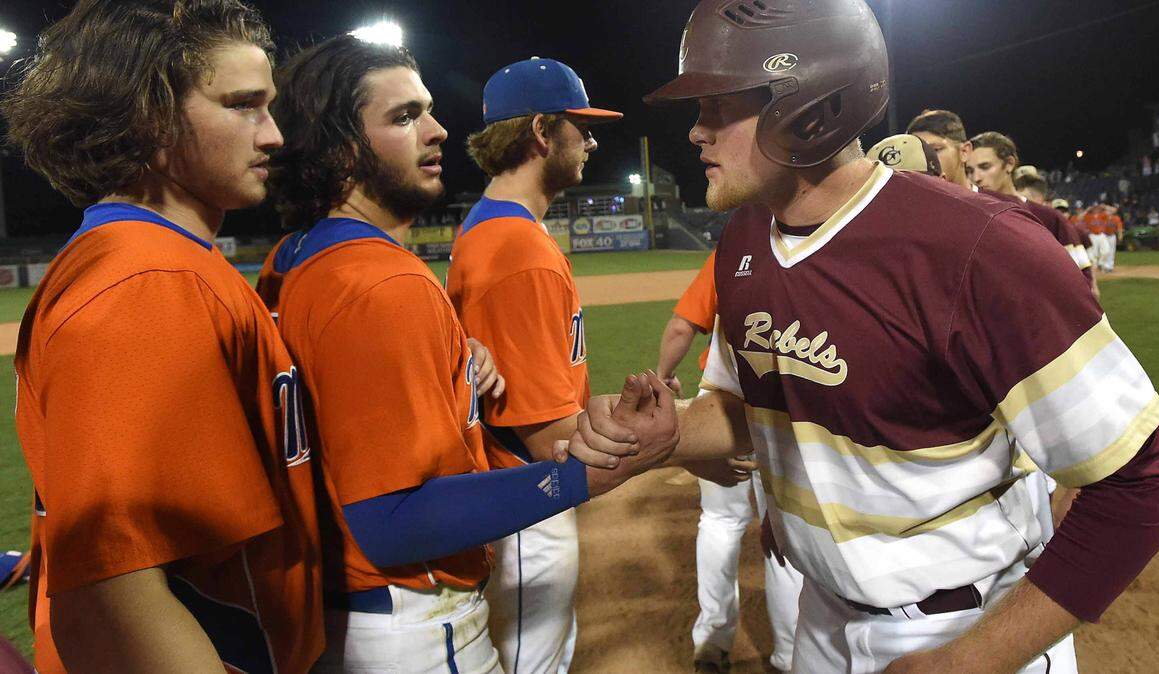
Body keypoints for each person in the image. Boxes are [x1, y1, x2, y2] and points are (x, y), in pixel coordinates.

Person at [565, 1, 1159, 671]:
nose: (695, 132)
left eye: (718, 105)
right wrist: (675, 434)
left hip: (966, 628)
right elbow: (764, 407)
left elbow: (1142, 483)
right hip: (820, 622)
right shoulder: (745, 239)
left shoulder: (977, 249)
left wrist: (966, 661)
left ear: (810, 108)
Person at [264, 37, 673, 674]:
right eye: (404, 116)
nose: (439, 129)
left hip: (336, 600)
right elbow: (393, 519)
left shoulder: (293, 257)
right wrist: (588, 475)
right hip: (409, 609)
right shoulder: (383, 282)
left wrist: (454, 356)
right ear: (343, 147)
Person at [0, 1, 324, 672]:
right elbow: (110, 594)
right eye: (243, 106)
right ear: (146, 120)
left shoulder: (158, 259)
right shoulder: (145, 281)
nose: (274, 137)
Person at [446, 57, 622, 674]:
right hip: (526, 499)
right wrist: (678, 439)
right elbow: (550, 439)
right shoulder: (516, 247)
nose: (592, 141)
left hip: (505, 491)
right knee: (534, 663)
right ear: (544, 133)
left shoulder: (493, 227)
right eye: (582, 127)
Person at [656, 244, 806, 673]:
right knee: (781, 533)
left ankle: (712, 642)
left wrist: (664, 374)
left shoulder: (734, 247)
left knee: (720, 522)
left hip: (719, 401)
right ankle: (788, 655)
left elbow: (682, 326)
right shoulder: (814, 241)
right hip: (782, 407)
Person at [967, 132, 1097, 295]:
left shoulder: (1049, 217)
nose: (976, 177)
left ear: (1009, 164)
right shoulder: (970, 218)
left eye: (985, 167)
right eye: (970, 171)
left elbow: (1083, 284)